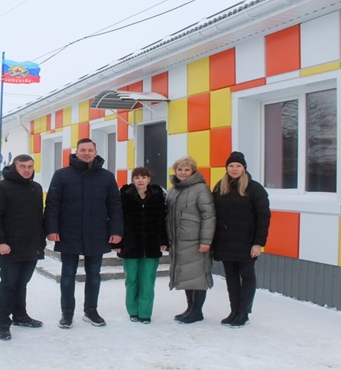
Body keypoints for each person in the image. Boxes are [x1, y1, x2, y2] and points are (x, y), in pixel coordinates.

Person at [44, 138, 123, 328]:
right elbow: (52, 204)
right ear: (76, 152)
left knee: (94, 274)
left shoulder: (106, 177)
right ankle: (67, 313)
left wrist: (116, 230)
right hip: (69, 232)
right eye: (83, 150)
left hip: (97, 232)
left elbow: (115, 205)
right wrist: (51, 228)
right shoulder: (62, 175)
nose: (86, 153)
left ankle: (91, 311)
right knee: (68, 274)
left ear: (95, 152)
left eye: (90, 150)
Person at [0, 155, 45, 340]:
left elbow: (37, 217)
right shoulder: (0, 189)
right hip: (9, 247)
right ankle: (3, 322)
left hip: (31, 246)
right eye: (22, 166)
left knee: (22, 283)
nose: (26, 170)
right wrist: (0, 242)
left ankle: (20, 315)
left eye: (29, 166)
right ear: (14, 167)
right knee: (8, 284)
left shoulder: (36, 188)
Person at [212, 151, 271, 327]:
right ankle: (234, 310)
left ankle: (244, 312)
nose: (235, 169)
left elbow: (263, 217)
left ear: (244, 168)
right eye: (231, 165)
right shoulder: (220, 187)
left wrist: (258, 243)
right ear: (227, 168)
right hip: (225, 242)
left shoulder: (254, 188)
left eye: (238, 166)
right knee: (230, 276)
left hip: (246, 243)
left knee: (246, 275)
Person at [166, 156, 215, 324]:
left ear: (193, 171)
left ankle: (197, 310)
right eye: (180, 169)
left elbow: (209, 216)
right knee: (186, 275)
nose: (183, 173)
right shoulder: (175, 189)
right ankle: (190, 308)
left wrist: (206, 241)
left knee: (198, 276)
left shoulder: (201, 189)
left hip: (195, 241)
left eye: (187, 170)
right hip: (179, 241)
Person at [115, 167, 168, 324]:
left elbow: (162, 221)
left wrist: (163, 241)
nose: (140, 180)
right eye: (137, 177)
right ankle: (132, 310)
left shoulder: (158, 196)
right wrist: (119, 243)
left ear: (149, 179)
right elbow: (118, 220)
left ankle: (145, 312)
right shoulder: (124, 196)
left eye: (143, 177)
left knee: (147, 281)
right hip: (130, 245)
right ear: (132, 179)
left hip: (151, 246)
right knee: (131, 280)